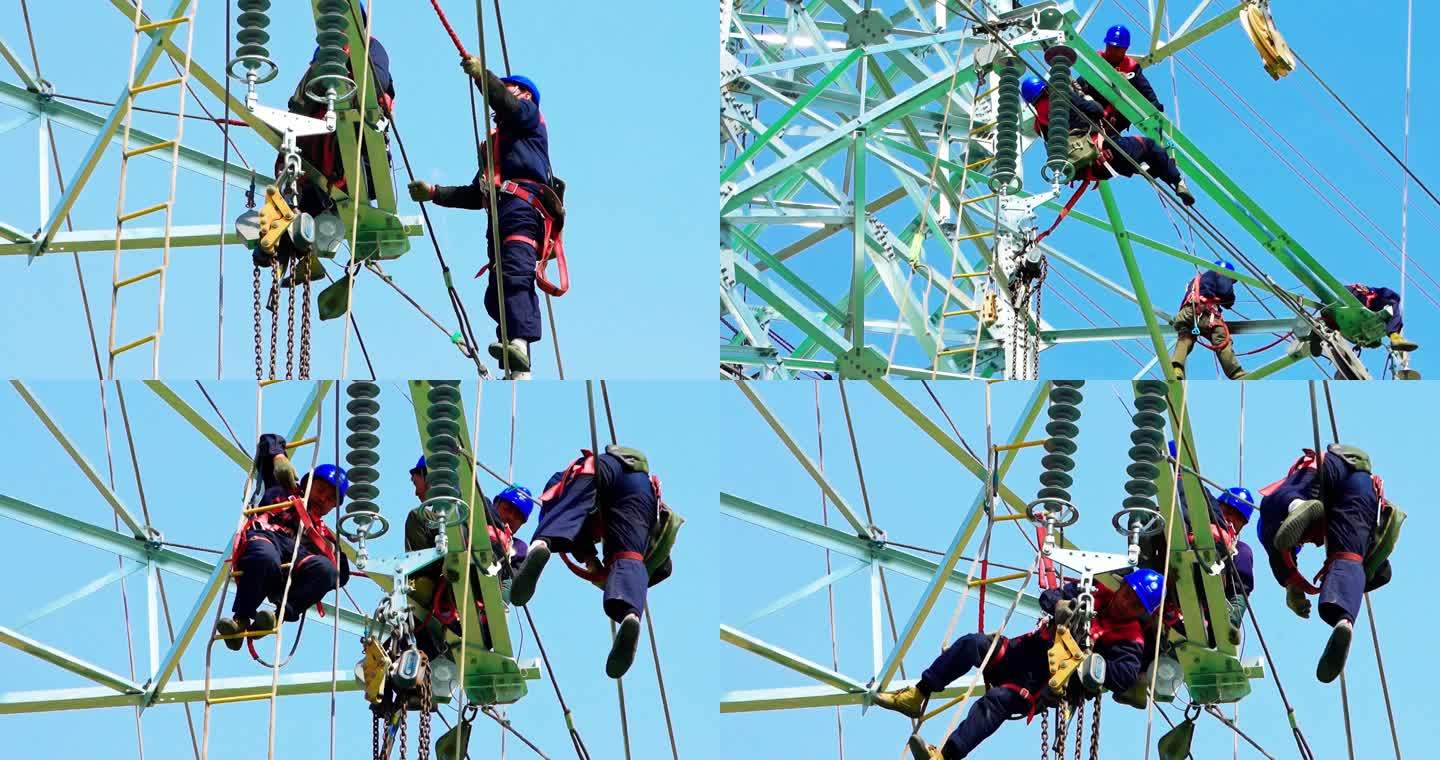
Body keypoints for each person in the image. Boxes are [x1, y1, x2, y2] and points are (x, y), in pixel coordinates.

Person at [875, 570, 1160, 760]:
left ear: (1143, 613)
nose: (1125, 603)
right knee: (973, 644)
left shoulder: (1129, 637)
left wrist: (1089, 663)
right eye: (1127, 593)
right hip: (1022, 651)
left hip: (1039, 681)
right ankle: (918, 695)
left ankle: (944, 757)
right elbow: (1049, 596)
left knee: (996, 701)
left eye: (1135, 604)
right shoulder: (1093, 592)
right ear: (1121, 586)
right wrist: (1060, 604)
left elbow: (1124, 675)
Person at [407, 62, 554, 379]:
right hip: (500, 214)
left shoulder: (529, 117)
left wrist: (480, 76)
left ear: (524, 93)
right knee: (495, 293)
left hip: (522, 207)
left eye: (507, 86)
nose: (501, 93)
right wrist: (434, 193)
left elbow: (504, 101)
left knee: (516, 274)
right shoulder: (498, 148)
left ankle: (519, 347)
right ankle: (511, 352)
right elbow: (477, 194)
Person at [507, 445, 676, 678]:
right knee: (628, 558)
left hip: (598, 470)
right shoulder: (641, 545)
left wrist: (590, 560)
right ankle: (630, 614)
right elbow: (628, 563)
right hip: (640, 486)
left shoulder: (642, 546)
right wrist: (594, 565)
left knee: (567, 510)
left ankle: (543, 544)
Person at [1256, 445, 1394, 682]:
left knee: (1270, 508)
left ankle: (1296, 506)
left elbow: (1282, 549)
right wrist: (1293, 583)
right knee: (1347, 560)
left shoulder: (1273, 529)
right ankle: (1344, 622)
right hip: (1365, 492)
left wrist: (1291, 583)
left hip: (1331, 468)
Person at [215, 436, 350, 650]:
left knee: (327, 570)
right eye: (320, 490)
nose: (323, 499)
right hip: (267, 538)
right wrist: (279, 458)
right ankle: (240, 621)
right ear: (307, 483)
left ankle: (277, 616)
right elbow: (268, 440)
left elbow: (341, 577)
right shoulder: (283, 488)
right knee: (265, 556)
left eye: (331, 499)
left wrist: (333, 552)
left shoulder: (322, 534)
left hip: (294, 559)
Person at [403, 457, 533, 654]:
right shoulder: (473, 510)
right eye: (507, 509)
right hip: (446, 585)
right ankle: (424, 584)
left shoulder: (518, 547)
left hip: (482, 595)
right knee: (422, 517)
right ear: (497, 504)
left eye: (518, 519)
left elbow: (511, 584)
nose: (511, 518)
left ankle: (490, 616)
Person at [1022, 76, 1194, 205]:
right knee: (1148, 146)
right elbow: (1095, 111)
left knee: (1137, 159)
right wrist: (1086, 99)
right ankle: (1177, 180)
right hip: (1104, 151)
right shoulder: (1060, 97)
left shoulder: (1040, 126)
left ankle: (1150, 167)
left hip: (1093, 171)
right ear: (1045, 89)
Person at [1077, 24, 1164, 133]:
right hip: (1090, 110)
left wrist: (1158, 117)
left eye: (1117, 48)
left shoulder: (1131, 69)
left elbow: (1148, 95)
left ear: (1125, 49)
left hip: (1112, 123)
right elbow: (1079, 85)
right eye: (1110, 46)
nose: (1112, 50)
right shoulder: (1097, 61)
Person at [1170, 261, 1245, 380]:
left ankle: (1176, 368)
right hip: (1206, 314)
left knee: (1185, 338)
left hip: (1187, 313)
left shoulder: (1196, 280)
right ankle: (1237, 374)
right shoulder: (1219, 273)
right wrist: (1229, 299)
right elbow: (1226, 292)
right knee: (1222, 340)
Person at [1346, 284, 1418, 353]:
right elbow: (1387, 295)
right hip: (1357, 296)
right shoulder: (1382, 294)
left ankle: (1392, 335)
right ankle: (1394, 336)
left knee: (1389, 313)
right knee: (1393, 306)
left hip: (1352, 300)